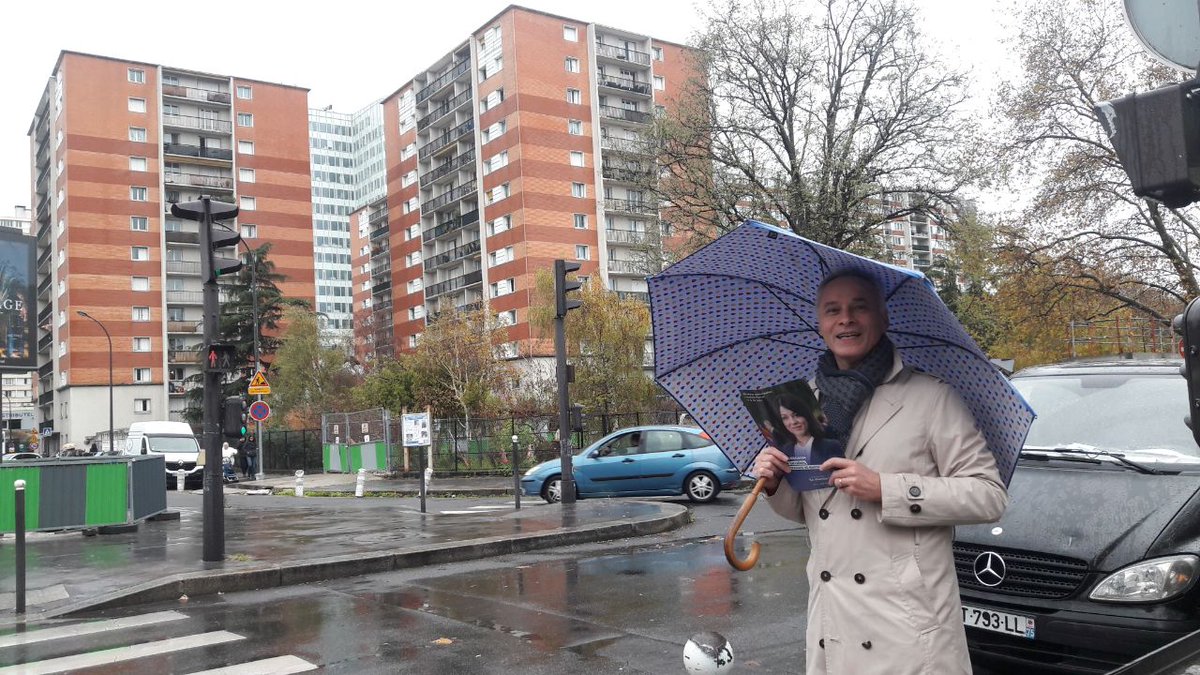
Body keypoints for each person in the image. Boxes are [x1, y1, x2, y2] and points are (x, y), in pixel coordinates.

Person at [751, 269, 1008, 674]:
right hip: (832, 626)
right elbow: (809, 509)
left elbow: (988, 495)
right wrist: (776, 481)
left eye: (860, 307)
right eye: (832, 310)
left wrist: (887, 489)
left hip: (908, 630)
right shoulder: (802, 405)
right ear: (819, 323)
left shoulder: (931, 396)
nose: (846, 319)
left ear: (884, 318)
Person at [772, 393, 842, 466]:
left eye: (796, 415)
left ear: (805, 414)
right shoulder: (785, 452)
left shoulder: (831, 445)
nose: (793, 422)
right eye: (785, 418)